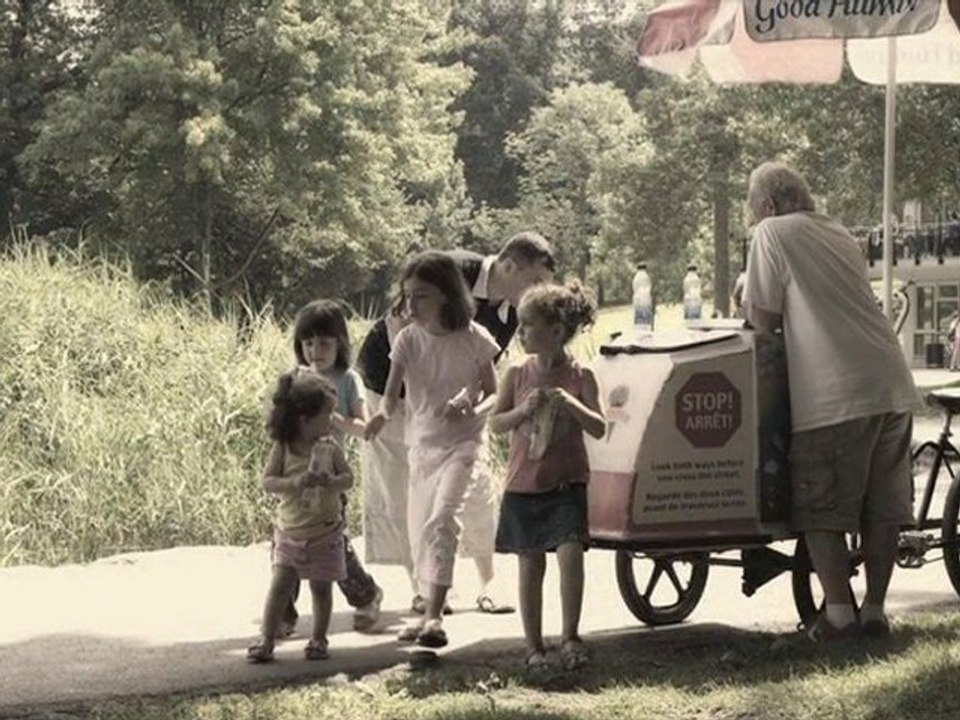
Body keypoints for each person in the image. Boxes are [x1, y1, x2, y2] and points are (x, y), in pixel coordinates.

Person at [741, 161, 921, 641]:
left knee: (821, 506)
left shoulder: (771, 233)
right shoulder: (837, 231)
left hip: (834, 391)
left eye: (753, 211)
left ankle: (838, 615)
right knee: (881, 508)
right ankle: (875, 611)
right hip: (890, 380)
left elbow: (762, 320)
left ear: (769, 205)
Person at [357, 232, 555, 614]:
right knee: (405, 486)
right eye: (534, 282)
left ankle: (489, 581)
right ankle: (423, 587)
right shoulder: (452, 269)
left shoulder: (512, 312)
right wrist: (410, 402)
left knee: (475, 484)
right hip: (391, 386)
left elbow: (483, 369)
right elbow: (403, 324)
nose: (537, 292)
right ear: (508, 265)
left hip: (451, 406)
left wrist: (469, 401)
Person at [365, 251, 500, 648]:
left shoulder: (475, 339)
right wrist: (378, 417)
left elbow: (495, 395)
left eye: (420, 296)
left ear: (446, 294)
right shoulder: (407, 339)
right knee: (420, 535)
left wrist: (470, 407)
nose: (410, 305)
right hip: (421, 448)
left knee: (443, 519)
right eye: (407, 296)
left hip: (464, 445)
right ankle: (429, 613)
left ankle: (435, 619)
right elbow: (392, 398)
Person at [489, 281, 605, 670]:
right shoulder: (517, 375)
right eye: (519, 326)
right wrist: (522, 410)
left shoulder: (580, 375)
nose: (520, 334)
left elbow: (599, 427)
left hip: (566, 484)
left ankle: (570, 636)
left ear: (555, 331)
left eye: (526, 326)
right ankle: (534, 646)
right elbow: (496, 424)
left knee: (570, 554)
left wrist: (572, 404)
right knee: (530, 564)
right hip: (524, 485)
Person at [278, 300, 383, 635]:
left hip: (330, 473)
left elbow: (365, 428)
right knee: (288, 540)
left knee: (332, 543)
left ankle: (366, 594)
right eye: (307, 343)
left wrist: (334, 417)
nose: (315, 351)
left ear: (340, 343)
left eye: (324, 343)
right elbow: (278, 424)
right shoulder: (294, 377)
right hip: (295, 470)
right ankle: (284, 612)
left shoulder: (348, 379)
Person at [246, 371, 353, 663]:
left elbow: (348, 479)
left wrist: (331, 482)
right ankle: (267, 639)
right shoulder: (284, 448)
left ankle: (319, 638)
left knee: (322, 588)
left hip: (325, 533)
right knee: (280, 586)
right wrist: (294, 483)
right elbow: (268, 481)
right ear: (305, 420)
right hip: (291, 533)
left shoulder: (330, 448)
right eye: (327, 414)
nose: (331, 420)